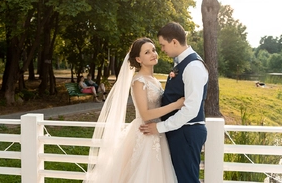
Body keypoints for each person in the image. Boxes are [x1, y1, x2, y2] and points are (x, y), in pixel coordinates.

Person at [84, 37, 184, 183]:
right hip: (145, 133)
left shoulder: (154, 80)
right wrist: (176, 105)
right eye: (147, 52)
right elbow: (145, 113)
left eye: (154, 50)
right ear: (138, 59)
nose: (153, 54)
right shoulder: (138, 81)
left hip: (157, 132)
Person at [140, 22, 209, 182]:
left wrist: (159, 127)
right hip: (179, 131)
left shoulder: (193, 67)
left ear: (174, 42)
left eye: (163, 45)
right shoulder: (181, 63)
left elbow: (190, 109)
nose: (162, 50)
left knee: (187, 180)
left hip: (186, 132)